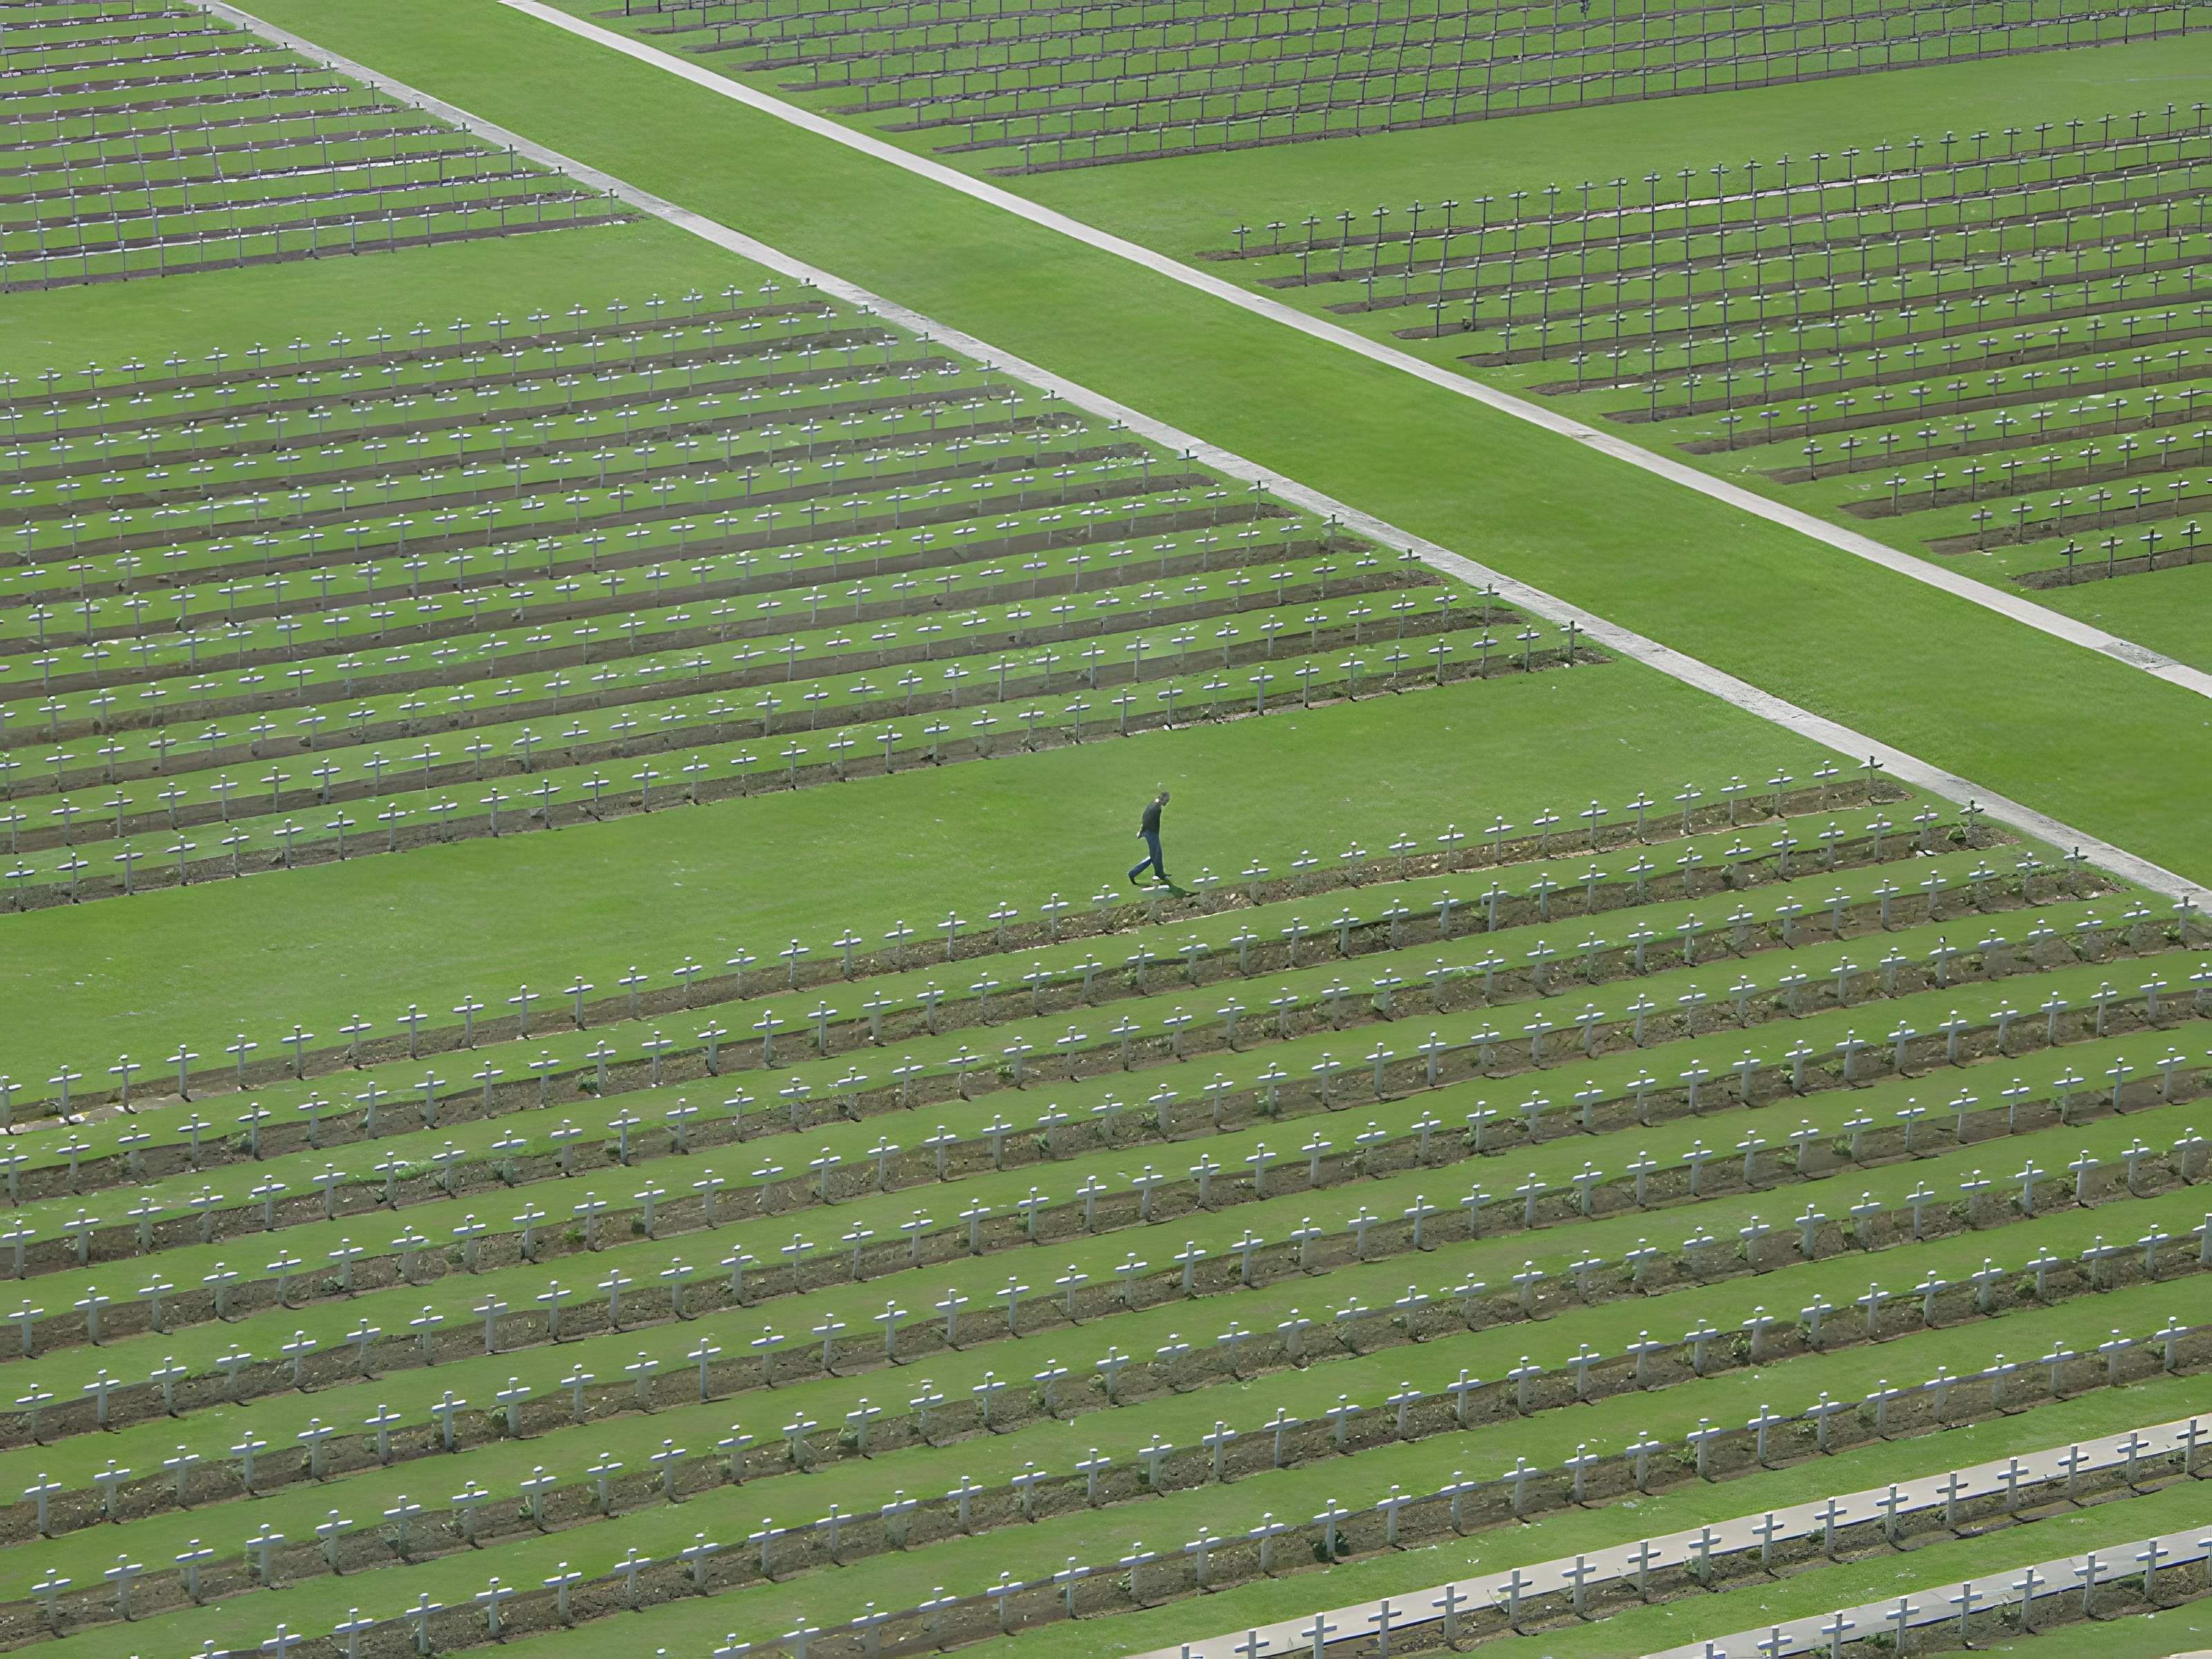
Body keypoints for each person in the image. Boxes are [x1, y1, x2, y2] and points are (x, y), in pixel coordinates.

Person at [1127, 789, 1173, 887]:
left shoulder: (1154, 804)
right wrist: (1142, 831)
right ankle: (1132, 873)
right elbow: (1146, 819)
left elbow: (1144, 817)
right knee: (1154, 856)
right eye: (1167, 800)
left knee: (1157, 854)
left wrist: (1142, 831)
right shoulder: (1156, 809)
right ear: (1163, 799)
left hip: (1151, 832)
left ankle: (1160, 874)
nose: (1167, 802)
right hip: (1151, 833)